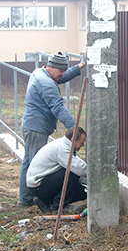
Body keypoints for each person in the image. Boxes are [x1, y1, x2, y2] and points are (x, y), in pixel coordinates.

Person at [18, 52, 86, 206]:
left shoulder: (40, 72)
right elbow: (58, 108)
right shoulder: (46, 83)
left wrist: (81, 66)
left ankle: (26, 198)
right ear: (51, 67)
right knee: (35, 165)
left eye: (63, 71)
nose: (62, 75)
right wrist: (75, 130)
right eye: (60, 71)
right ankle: (30, 199)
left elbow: (63, 76)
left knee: (29, 160)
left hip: (32, 125)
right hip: (36, 128)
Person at [27, 127, 87, 214]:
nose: (83, 145)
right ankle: (59, 207)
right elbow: (80, 169)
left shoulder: (64, 145)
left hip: (42, 183)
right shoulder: (62, 148)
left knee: (83, 192)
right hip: (39, 185)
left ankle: (46, 201)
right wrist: (97, 177)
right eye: (81, 142)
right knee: (71, 172)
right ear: (73, 139)